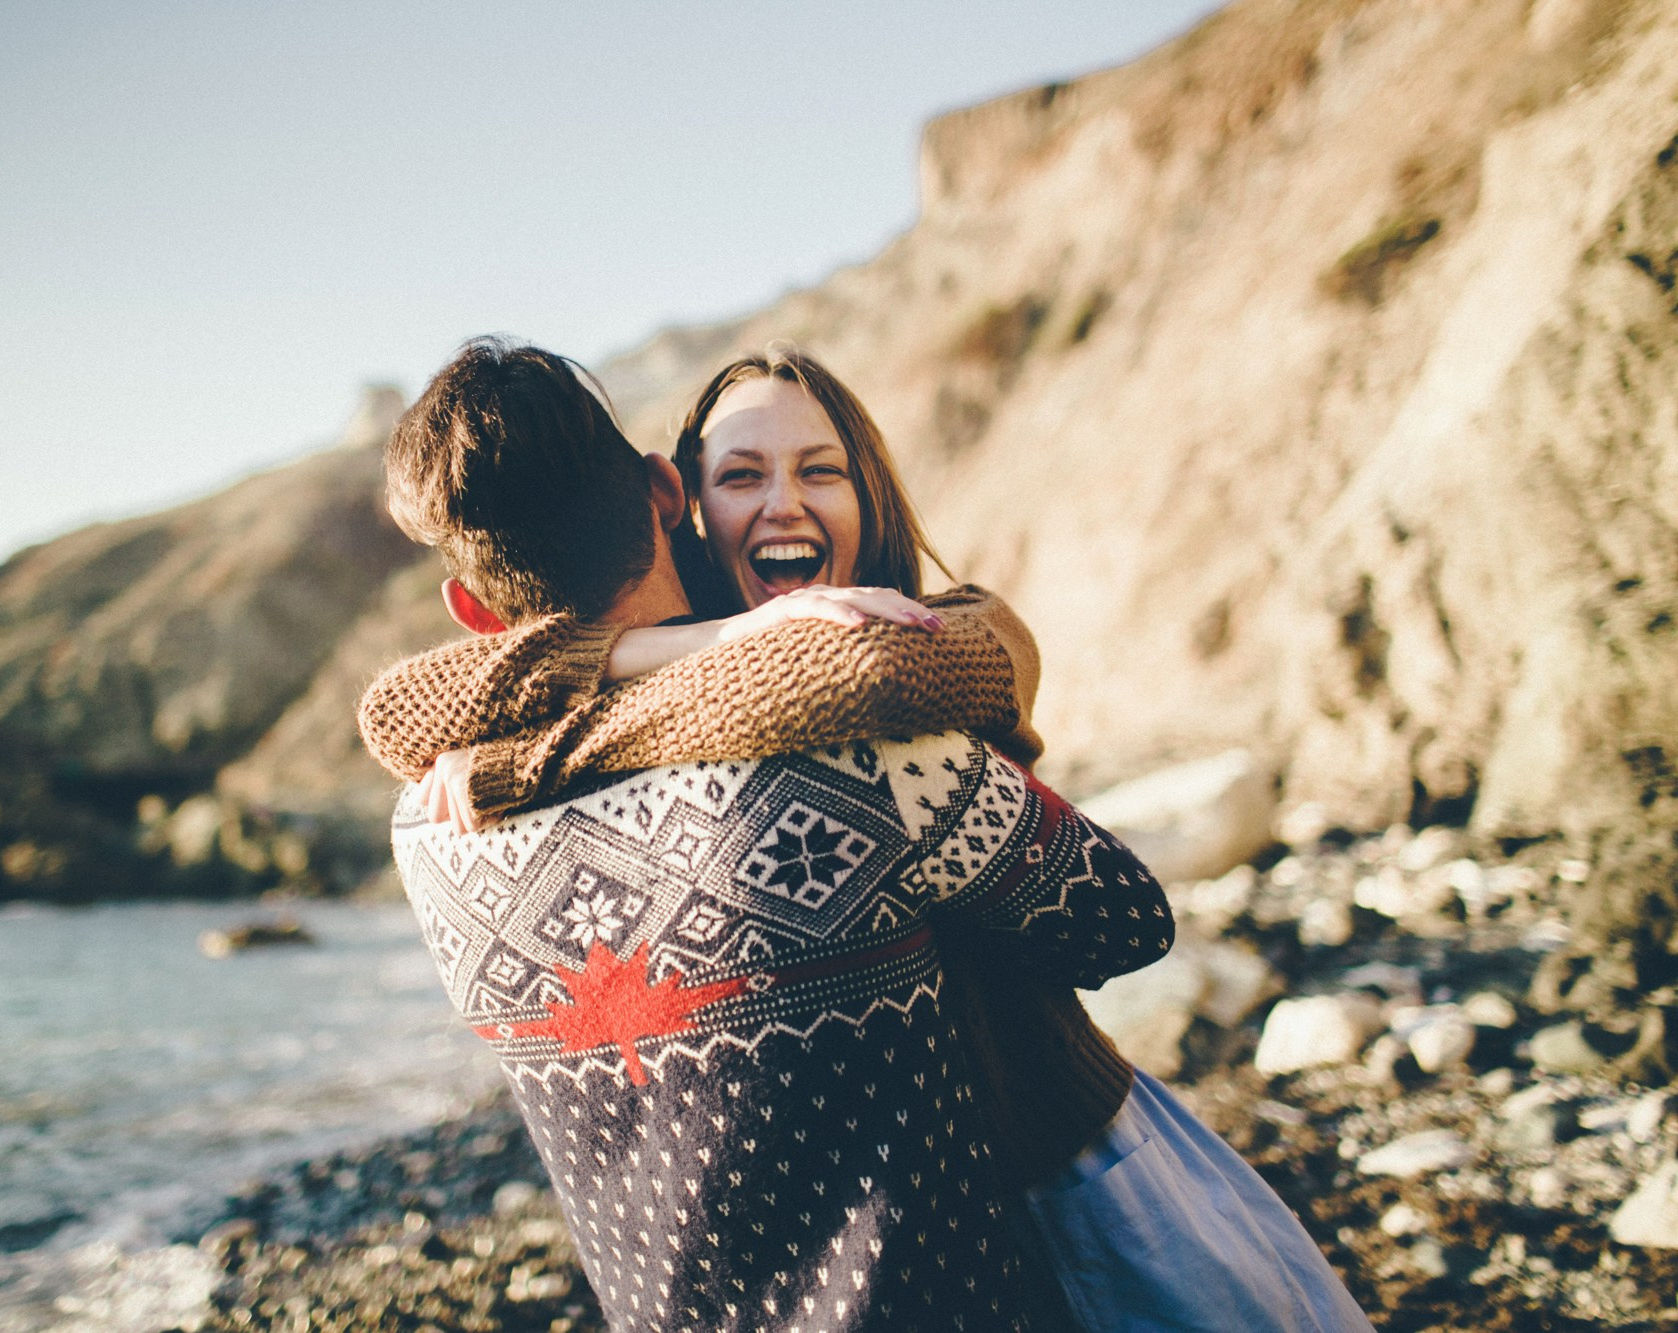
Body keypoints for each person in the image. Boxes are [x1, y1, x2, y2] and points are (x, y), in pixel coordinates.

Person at [362, 344, 1377, 1332]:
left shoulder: (429, 820)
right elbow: (1119, 920)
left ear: (463, 603)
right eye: (742, 475)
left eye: (819, 469)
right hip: (995, 1253)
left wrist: (555, 736)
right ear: (672, 498)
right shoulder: (858, 756)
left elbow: (396, 710)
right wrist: (715, 651)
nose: (783, 503)